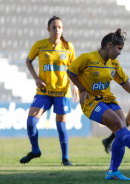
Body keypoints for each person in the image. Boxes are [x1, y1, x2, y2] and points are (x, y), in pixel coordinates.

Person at [67, 28, 130, 181]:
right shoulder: (87, 58)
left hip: (108, 99)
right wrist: (82, 89)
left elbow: (123, 80)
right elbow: (71, 71)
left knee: (121, 129)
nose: (120, 52)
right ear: (109, 45)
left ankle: (113, 171)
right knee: (118, 125)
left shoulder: (114, 63)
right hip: (92, 102)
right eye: (119, 49)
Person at [20, 16, 78, 166]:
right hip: (44, 92)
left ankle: (65, 158)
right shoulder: (39, 45)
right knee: (31, 122)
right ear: (48, 29)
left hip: (62, 92)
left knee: (61, 125)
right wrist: (36, 79)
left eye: (59, 27)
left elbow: (73, 70)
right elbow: (28, 61)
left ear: (62, 29)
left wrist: (76, 87)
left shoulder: (68, 47)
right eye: (54, 27)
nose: (57, 30)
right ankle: (35, 151)